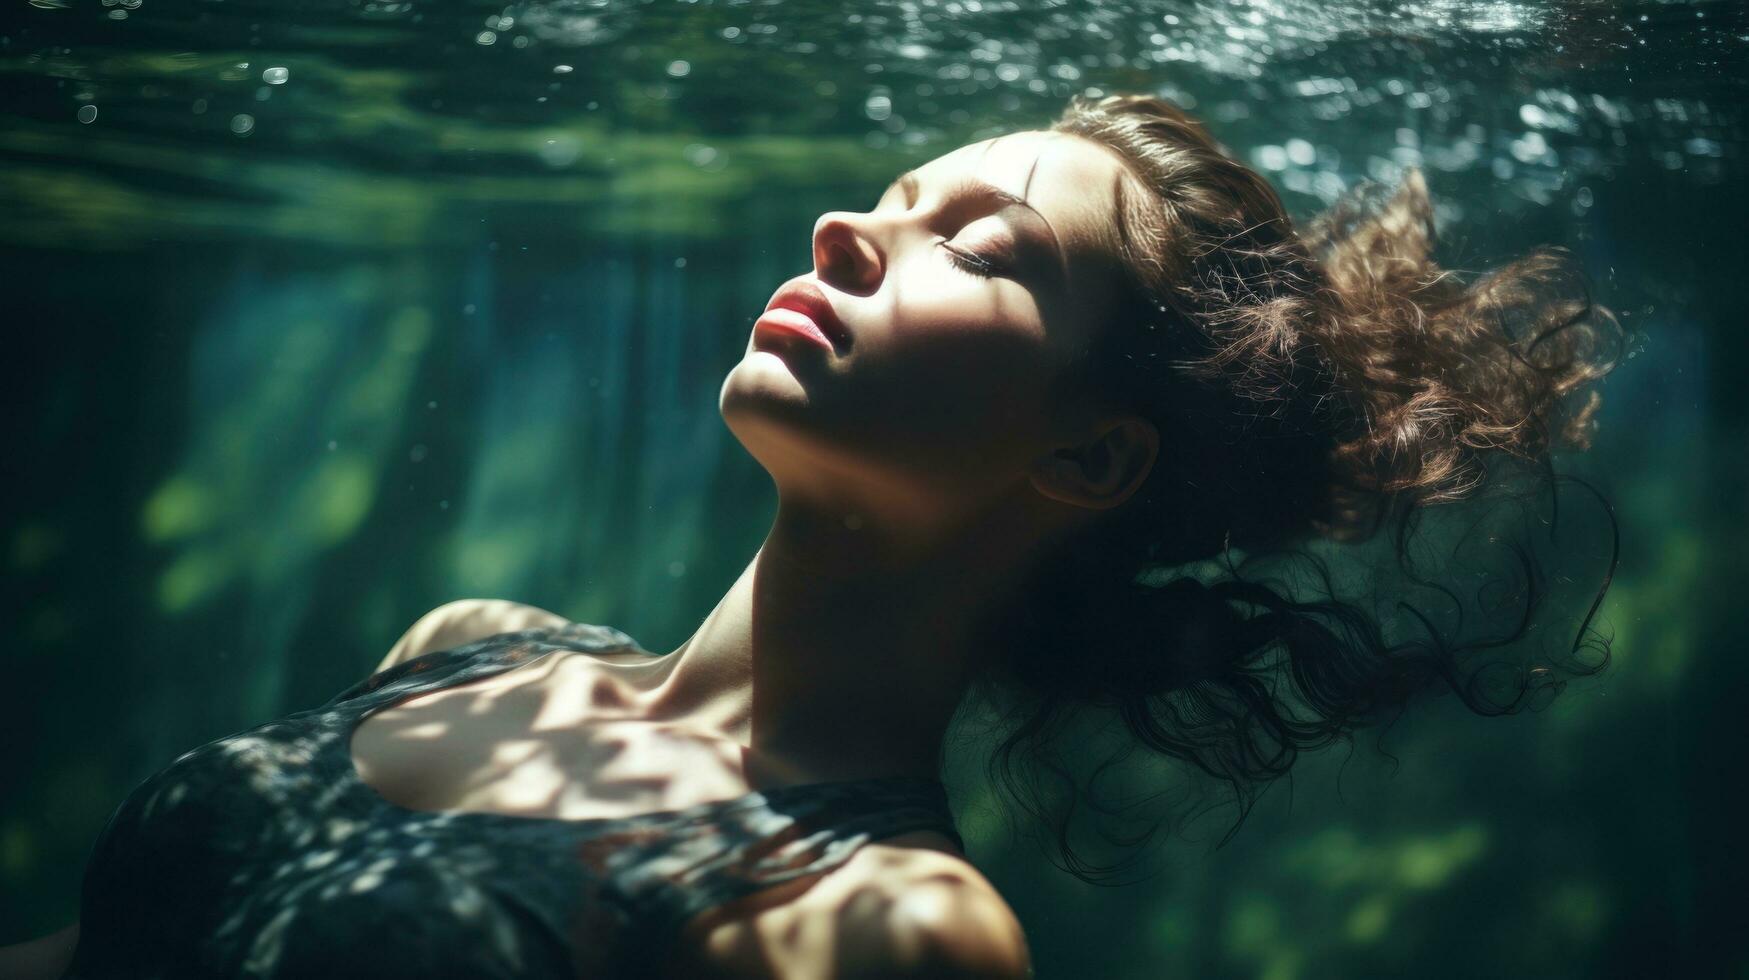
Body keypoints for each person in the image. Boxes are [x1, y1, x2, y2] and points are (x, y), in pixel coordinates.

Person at [6, 92, 1619, 979]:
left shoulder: (888, 930)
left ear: (1088, 453)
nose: (851, 224)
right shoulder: (468, 646)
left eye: (975, 244)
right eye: (894, 194)